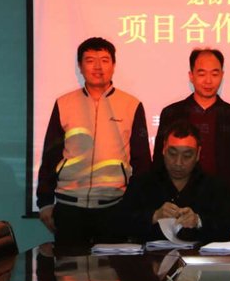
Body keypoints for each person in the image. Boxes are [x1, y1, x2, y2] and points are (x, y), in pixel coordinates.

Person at [37, 36, 151, 246]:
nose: (98, 67)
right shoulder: (64, 103)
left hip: (113, 209)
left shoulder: (131, 105)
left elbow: (142, 161)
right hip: (69, 208)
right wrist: (44, 202)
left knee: (111, 267)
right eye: (90, 60)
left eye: (104, 60)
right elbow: (50, 156)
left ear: (113, 65)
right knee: (68, 266)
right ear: (80, 66)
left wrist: (134, 206)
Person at [154, 48, 230, 224]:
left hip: (222, 203)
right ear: (191, 76)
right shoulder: (172, 113)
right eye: (202, 74)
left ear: (222, 75)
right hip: (178, 203)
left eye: (214, 74)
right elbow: (158, 160)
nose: (208, 81)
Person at [120, 121, 230, 243]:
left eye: (187, 156)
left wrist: (198, 221)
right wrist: (153, 216)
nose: (178, 163)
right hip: (151, 254)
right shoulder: (142, 183)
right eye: (172, 154)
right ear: (164, 149)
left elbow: (229, 227)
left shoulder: (215, 186)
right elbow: (120, 223)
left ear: (198, 154)